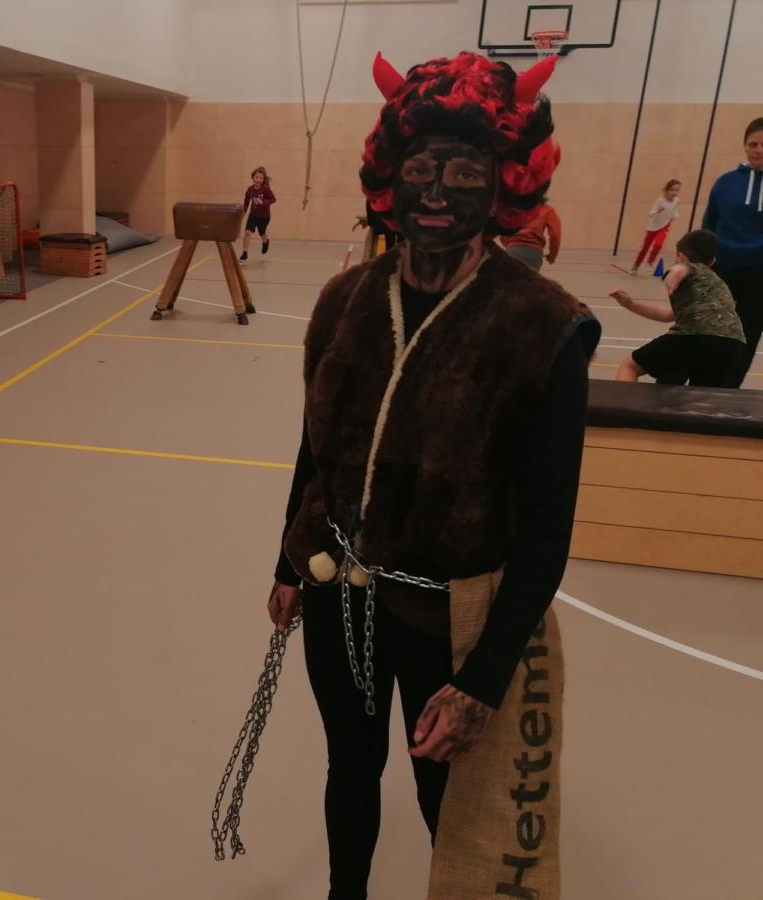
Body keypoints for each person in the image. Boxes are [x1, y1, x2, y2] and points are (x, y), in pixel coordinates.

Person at [266, 51, 599, 899]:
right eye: (419, 169)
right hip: (338, 590)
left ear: (507, 182)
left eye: (465, 171)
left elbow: (547, 527)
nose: (438, 191)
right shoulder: (345, 299)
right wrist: (287, 565)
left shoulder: (545, 328)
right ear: (391, 177)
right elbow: (317, 444)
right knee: (350, 766)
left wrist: (482, 678)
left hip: (449, 618)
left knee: (441, 793)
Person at [611, 228, 745, 387]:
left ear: (680, 256)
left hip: (694, 337)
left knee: (630, 366)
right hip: (732, 344)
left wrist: (675, 273)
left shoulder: (687, 267)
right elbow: (668, 315)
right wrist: (630, 305)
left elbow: (682, 269)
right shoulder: (717, 282)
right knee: (703, 396)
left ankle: (625, 403)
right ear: (713, 261)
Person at [702, 118, 763, 387]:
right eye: (753, 144)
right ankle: (701, 385)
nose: (759, 150)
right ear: (745, 146)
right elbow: (709, 224)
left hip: (760, 274)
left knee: (748, 333)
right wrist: (699, 263)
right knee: (709, 328)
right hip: (723, 268)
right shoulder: (725, 183)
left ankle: (728, 391)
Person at [630, 179, 681, 274]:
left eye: (677, 190)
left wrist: (674, 216)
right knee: (645, 248)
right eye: (672, 190)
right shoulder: (660, 200)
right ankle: (635, 266)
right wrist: (658, 211)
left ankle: (650, 262)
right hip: (653, 227)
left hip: (665, 226)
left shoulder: (676, 200)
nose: (675, 192)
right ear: (667, 190)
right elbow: (650, 214)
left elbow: (675, 211)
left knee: (658, 244)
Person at [501, 200, 562, 271]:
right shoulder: (547, 209)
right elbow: (555, 234)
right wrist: (552, 256)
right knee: (529, 278)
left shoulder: (513, 208)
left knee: (511, 277)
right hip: (534, 253)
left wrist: (510, 245)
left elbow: (502, 229)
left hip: (512, 250)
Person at [239, 166, 276, 261]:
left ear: (263, 180)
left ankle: (265, 241)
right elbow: (246, 202)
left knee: (262, 233)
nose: (258, 179)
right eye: (256, 177)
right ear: (253, 177)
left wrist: (263, 202)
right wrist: (243, 212)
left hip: (264, 216)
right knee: (247, 232)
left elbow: (273, 199)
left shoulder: (266, 189)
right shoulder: (250, 189)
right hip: (253, 215)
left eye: (261, 178)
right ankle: (244, 253)